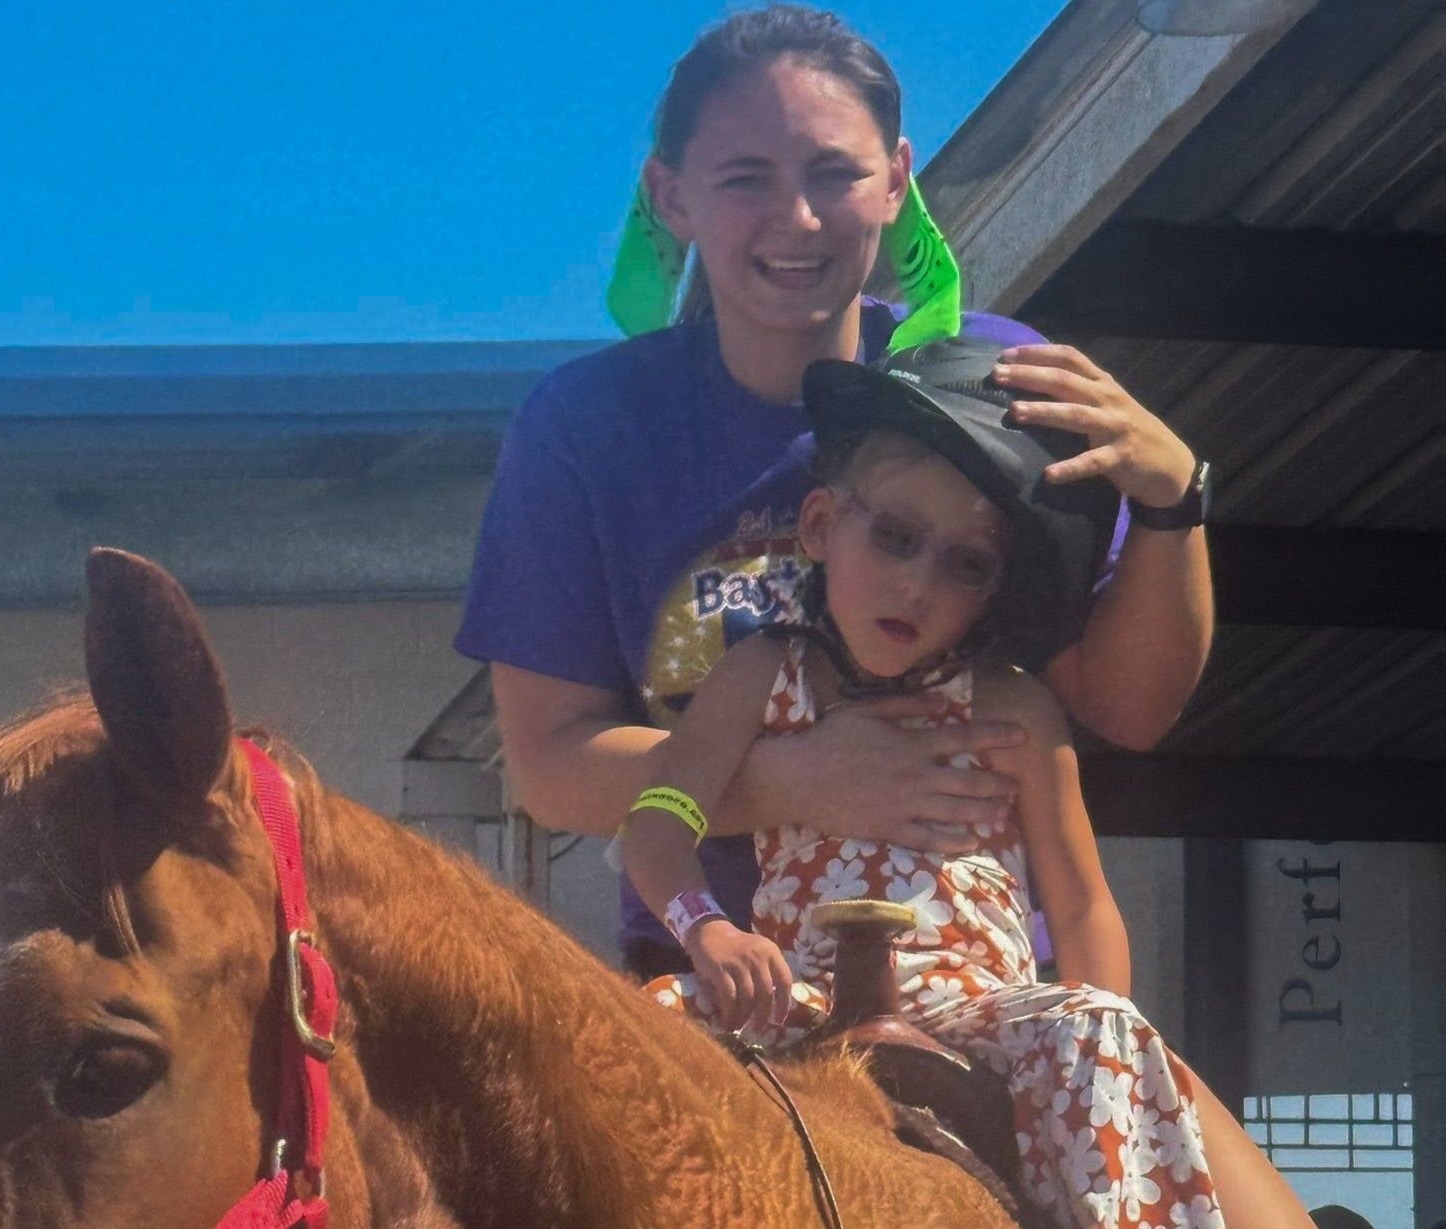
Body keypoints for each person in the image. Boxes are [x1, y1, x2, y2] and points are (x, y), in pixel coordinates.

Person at [455, 3, 1213, 984]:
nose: (798, 218)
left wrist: (1174, 500)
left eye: (834, 173)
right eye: (745, 178)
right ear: (671, 195)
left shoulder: (997, 382)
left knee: (1194, 1144)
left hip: (981, 990)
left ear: (897, 179)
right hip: (715, 985)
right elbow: (552, 766)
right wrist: (796, 778)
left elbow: (1129, 707)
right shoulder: (586, 424)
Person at [616, 337, 1311, 1229]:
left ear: (995, 591)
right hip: (804, 989)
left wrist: (1097, 1018)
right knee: (646, 1022)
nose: (918, 582)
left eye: (966, 562)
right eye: (896, 536)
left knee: (1099, 1035)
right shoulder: (760, 672)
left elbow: (1084, 901)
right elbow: (661, 818)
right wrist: (704, 930)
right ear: (823, 525)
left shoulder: (1016, 709)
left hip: (975, 1003)